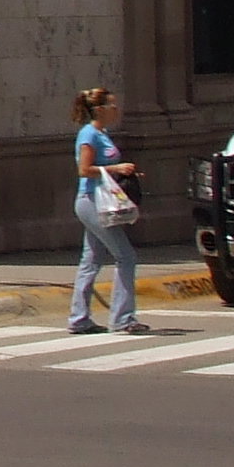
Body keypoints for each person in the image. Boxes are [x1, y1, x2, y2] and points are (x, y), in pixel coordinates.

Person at [70, 86, 149, 338]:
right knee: (126, 256)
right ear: (100, 109)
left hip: (97, 199)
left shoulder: (102, 133)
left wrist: (126, 173)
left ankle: (79, 318)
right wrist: (117, 168)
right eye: (112, 106)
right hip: (92, 200)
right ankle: (123, 318)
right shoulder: (89, 134)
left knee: (90, 259)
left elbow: (103, 167)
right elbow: (84, 169)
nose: (116, 110)